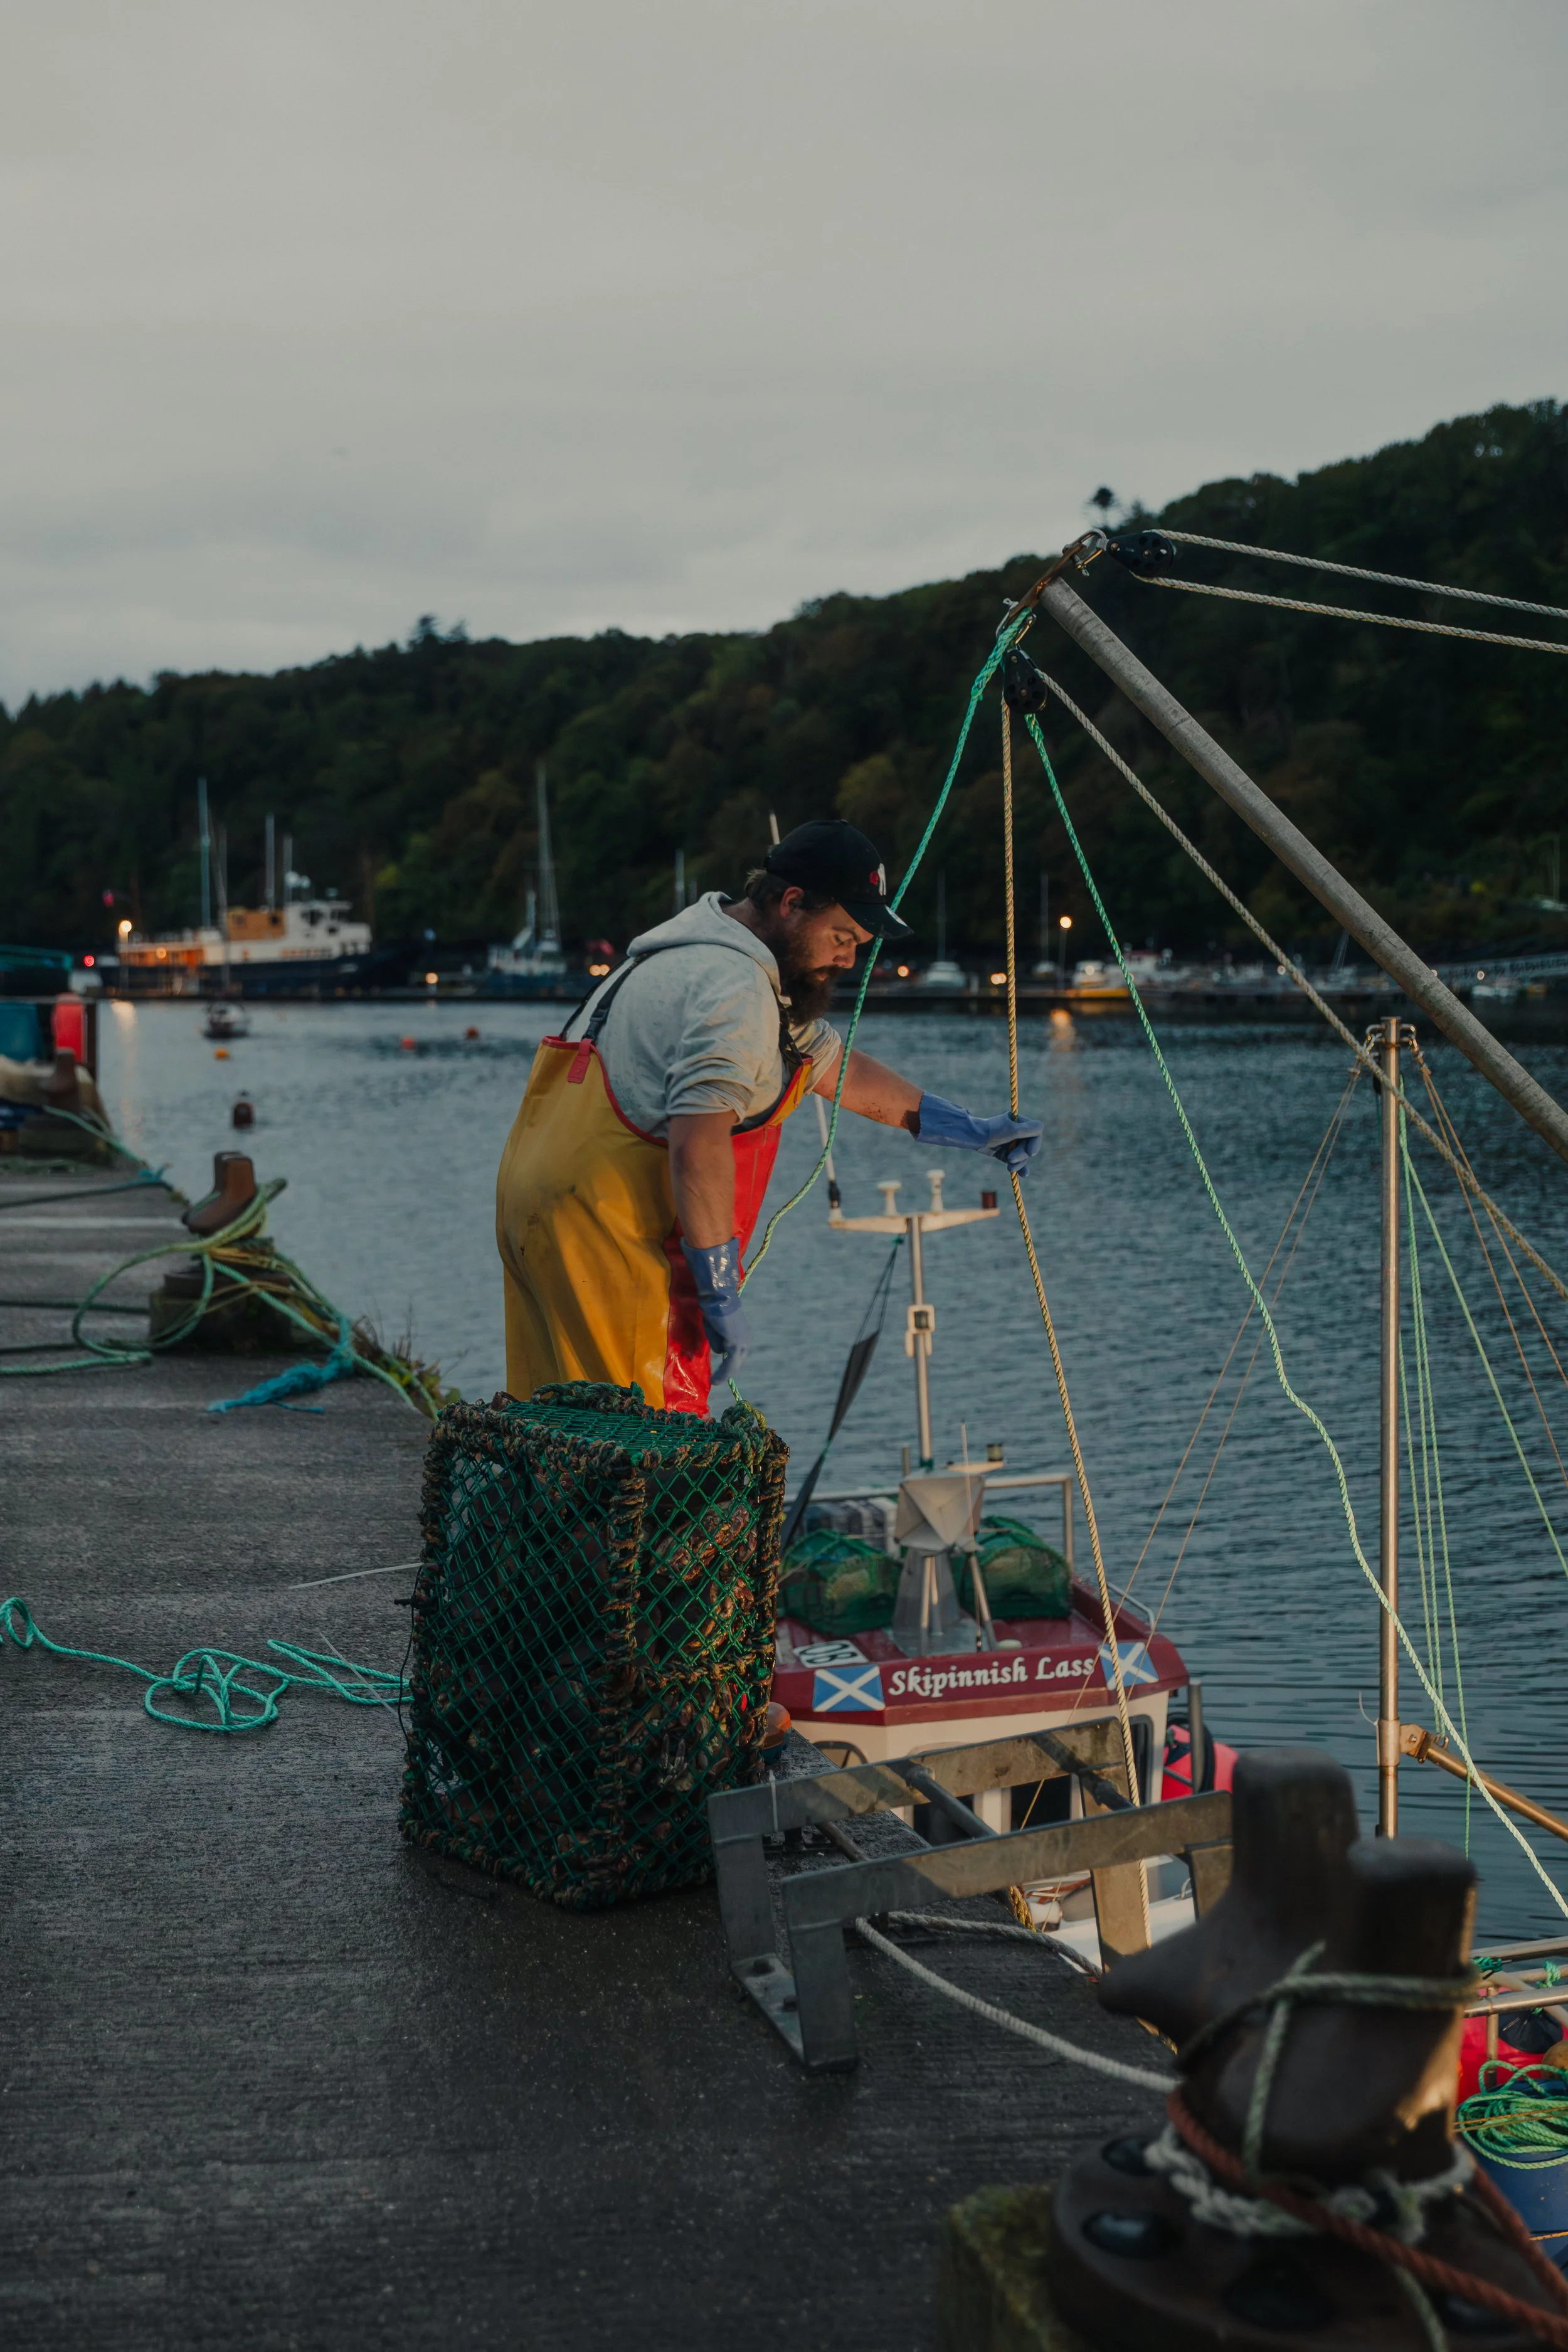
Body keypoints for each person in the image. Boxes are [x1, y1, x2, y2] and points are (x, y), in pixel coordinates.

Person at [495, 818, 1042, 1413]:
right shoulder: (735, 992)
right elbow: (698, 1146)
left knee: (557, 1432)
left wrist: (968, 1129)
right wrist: (719, 1289)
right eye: (841, 935)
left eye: (858, 943)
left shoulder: (684, 955)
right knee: (643, 1456)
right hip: (608, 1242)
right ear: (790, 904)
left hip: (537, 1217)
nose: (849, 959)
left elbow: (829, 1064)